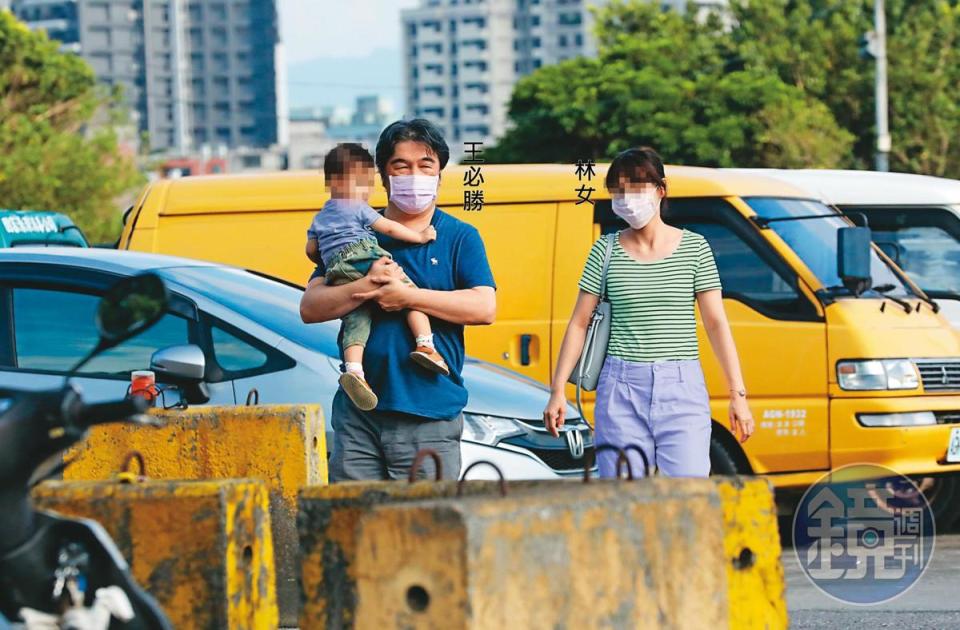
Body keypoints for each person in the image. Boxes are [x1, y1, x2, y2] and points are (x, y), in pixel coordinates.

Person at [300, 119, 496, 481]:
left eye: (425, 165)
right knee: (355, 527)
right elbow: (310, 308)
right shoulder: (352, 227)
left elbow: (483, 307)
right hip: (359, 415)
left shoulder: (458, 236)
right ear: (383, 176)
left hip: (429, 414)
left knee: (425, 531)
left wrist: (406, 296)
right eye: (400, 166)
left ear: (440, 175)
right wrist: (370, 287)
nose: (414, 175)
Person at [543, 147, 754, 478]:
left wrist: (737, 394)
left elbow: (716, 324)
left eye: (637, 187)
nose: (627, 199)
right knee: (626, 497)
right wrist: (557, 390)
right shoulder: (606, 250)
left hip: (681, 386)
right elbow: (579, 323)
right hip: (620, 388)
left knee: (688, 495)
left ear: (661, 189)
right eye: (619, 191)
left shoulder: (695, 248)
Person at [305, 142, 449, 412]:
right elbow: (390, 228)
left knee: (356, 320)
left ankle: (355, 371)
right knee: (409, 294)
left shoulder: (320, 217)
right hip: (362, 254)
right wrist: (420, 236)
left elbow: (311, 250)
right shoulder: (357, 207)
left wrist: (329, 259)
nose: (366, 191)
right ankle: (426, 344)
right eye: (363, 183)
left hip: (336, 267)